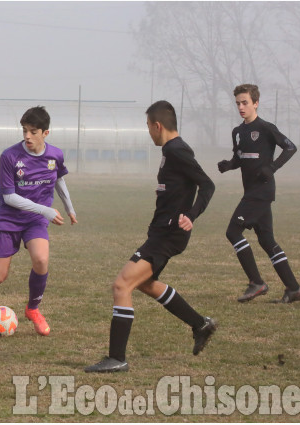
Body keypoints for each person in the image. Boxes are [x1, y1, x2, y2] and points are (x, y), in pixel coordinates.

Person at [85, 100, 217, 373]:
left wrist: (191, 215)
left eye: (148, 126)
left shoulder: (178, 150)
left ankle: (117, 358)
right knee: (145, 283)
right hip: (162, 232)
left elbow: (207, 184)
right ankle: (200, 324)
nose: (148, 132)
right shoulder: (171, 150)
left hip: (168, 235)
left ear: (157, 126)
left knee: (122, 285)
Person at [0, 106, 77, 336]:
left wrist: (69, 208)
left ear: (46, 133)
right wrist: (46, 210)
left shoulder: (55, 155)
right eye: (24, 130)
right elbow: (9, 197)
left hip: (34, 221)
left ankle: (33, 309)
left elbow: (59, 179)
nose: (27, 136)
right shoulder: (10, 156)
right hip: (8, 219)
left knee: (41, 260)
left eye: (33, 131)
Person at [218, 84, 300, 303]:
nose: (241, 106)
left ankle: (256, 282)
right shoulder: (238, 132)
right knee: (266, 240)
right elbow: (240, 157)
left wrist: (272, 168)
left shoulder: (266, 128)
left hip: (261, 192)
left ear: (256, 103)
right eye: (237, 103)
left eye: (245, 102)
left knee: (233, 232)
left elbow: (291, 147)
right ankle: (293, 289)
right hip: (252, 192)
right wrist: (229, 165)